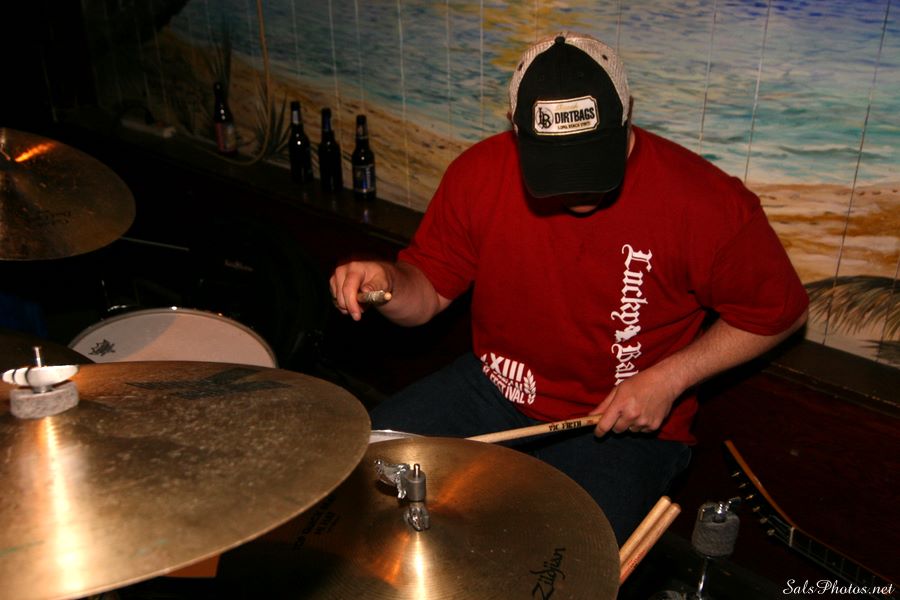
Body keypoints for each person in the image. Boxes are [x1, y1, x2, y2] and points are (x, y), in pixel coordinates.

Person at [330, 31, 808, 544]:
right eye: (557, 165)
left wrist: (670, 379)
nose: (579, 186)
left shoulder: (706, 204)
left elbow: (781, 313)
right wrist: (388, 285)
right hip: (495, 388)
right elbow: (426, 295)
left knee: (553, 558)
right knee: (357, 474)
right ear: (515, 127)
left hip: (623, 425)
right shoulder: (479, 174)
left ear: (628, 112)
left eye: (593, 158)